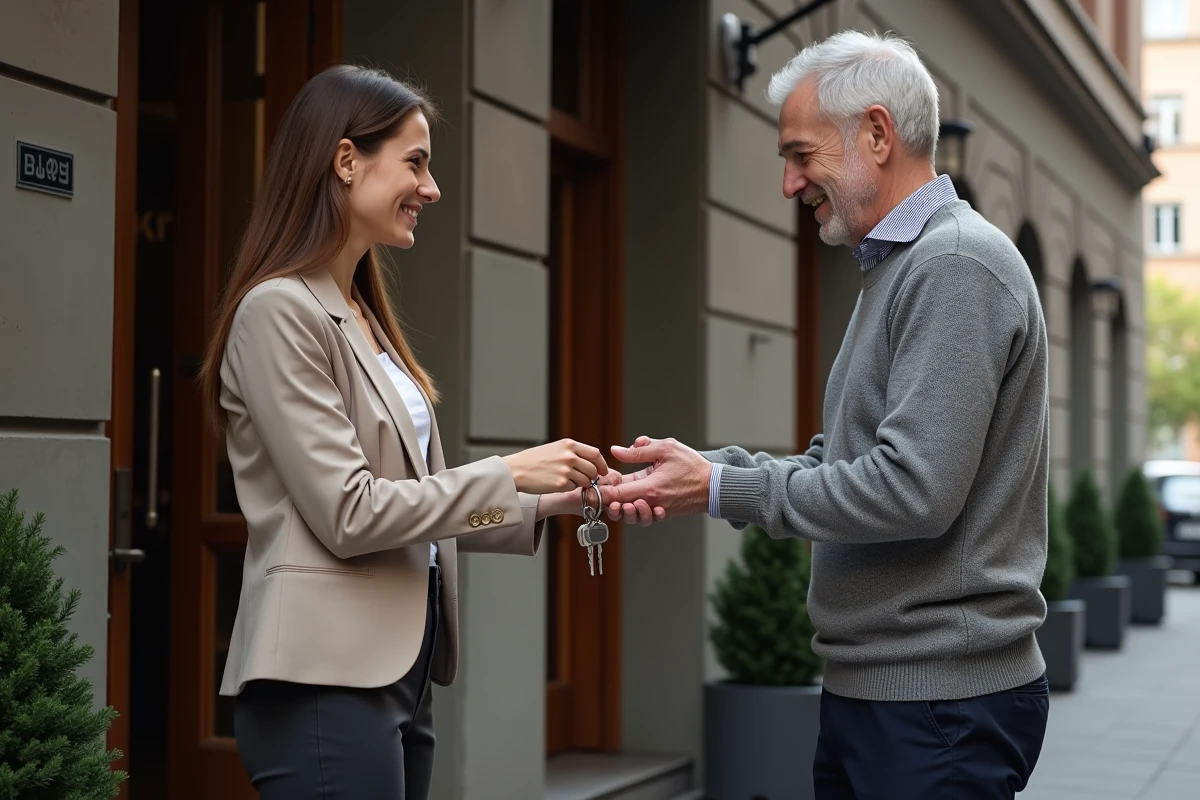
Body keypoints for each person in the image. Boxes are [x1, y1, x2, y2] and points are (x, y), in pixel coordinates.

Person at [604, 31, 1050, 799]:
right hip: (894, 698)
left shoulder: (951, 266)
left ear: (877, 134)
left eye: (801, 155)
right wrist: (707, 474)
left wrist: (716, 487)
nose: (788, 183)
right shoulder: (903, 266)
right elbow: (846, 460)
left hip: (936, 708)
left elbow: (912, 489)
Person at [199, 65, 613, 799]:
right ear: (346, 160)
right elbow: (351, 511)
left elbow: (414, 503)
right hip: (323, 678)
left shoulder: (358, 311)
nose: (432, 189)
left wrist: (553, 503)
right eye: (415, 163)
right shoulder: (278, 312)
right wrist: (511, 473)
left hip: (398, 672)